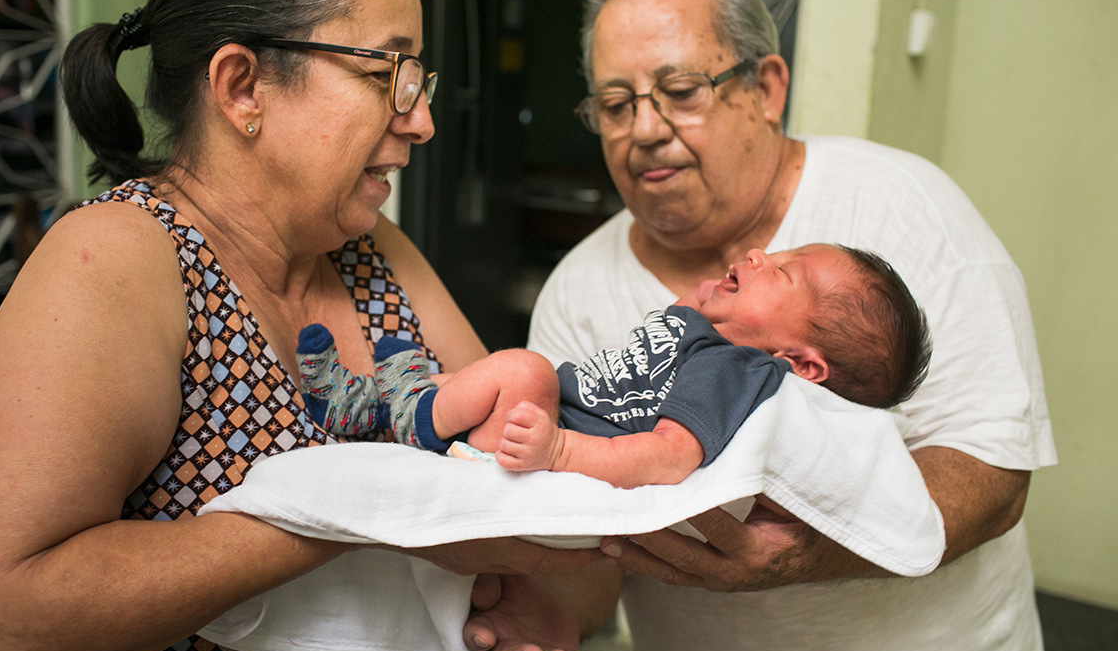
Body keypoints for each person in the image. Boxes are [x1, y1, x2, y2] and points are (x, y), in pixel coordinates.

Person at [0, 0, 603, 651]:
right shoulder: (119, 258)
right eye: (389, 71)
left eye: (418, 78)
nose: (418, 117)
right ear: (243, 86)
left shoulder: (374, 252)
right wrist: (353, 510)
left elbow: (542, 528)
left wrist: (530, 587)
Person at [467, 0, 1056, 651]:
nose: (643, 129)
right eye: (615, 105)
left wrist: (809, 553)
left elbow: (993, 470)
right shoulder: (579, 289)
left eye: (680, 90)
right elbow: (599, 526)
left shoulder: (902, 209)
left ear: (766, 87)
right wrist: (558, 606)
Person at [298, 243, 931, 489]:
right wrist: (703, 303)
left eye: (783, 271)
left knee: (525, 373)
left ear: (799, 363)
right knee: (477, 378)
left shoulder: (738, 371)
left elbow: (668, 454)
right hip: (527, 433)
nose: (760, 254)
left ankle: (393, 414)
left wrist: (559, 452)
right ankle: (368, 407)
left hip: (541, 452)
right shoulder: (707, 330)